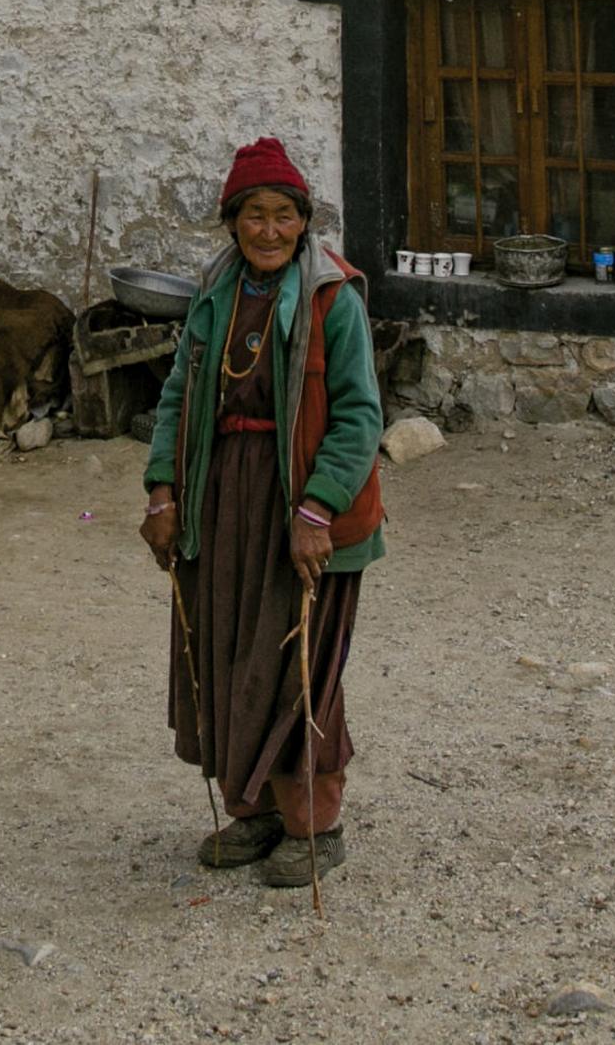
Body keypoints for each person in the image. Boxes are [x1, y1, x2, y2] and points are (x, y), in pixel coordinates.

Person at [141, 135, 386, 888]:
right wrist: (162, 489)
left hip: (304, 511)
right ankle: (256, 813)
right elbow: (180, 396)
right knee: (230, 654)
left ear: (303, 221)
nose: (269, 230)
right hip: (225, 503)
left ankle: (316, 822)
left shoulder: (332, 298)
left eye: (284, 214)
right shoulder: (216, 292)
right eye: (255, 214)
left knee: (297, 665)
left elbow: (359, 417)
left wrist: (317, 508)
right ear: (232, 221)